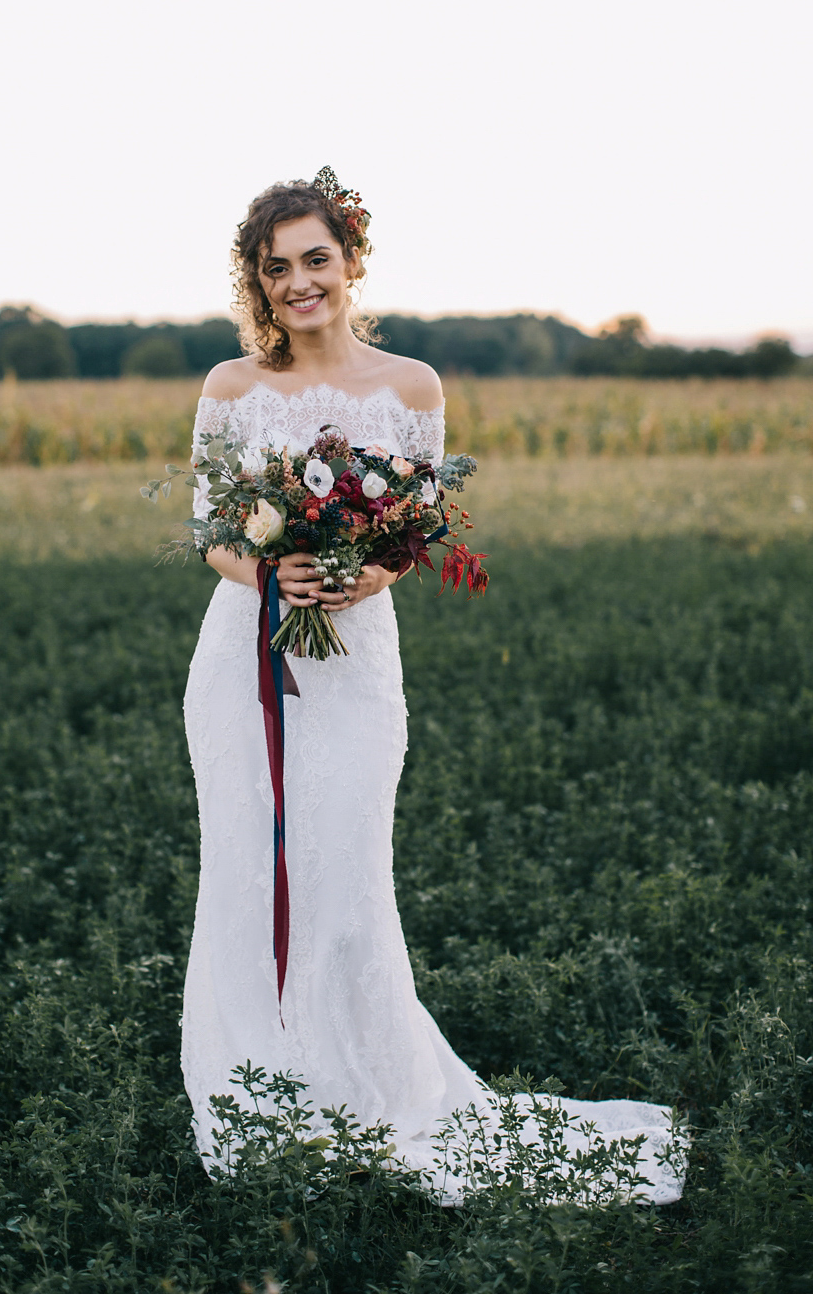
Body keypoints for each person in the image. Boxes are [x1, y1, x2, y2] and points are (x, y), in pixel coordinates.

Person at [180, 169, 685, 1204]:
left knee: (347, 878)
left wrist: (365, 573)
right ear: (258, 283)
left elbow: (412, 535)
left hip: (358, 671)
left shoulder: (412, 386)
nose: (298, 283)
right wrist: (272, 569)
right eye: (276, 269)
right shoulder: (231, 390)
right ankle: (256, 1097)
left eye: (316, 259)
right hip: (245, 667)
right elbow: (209, 534)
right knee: (247, 871)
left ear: (351, 260)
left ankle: (369, 1093)